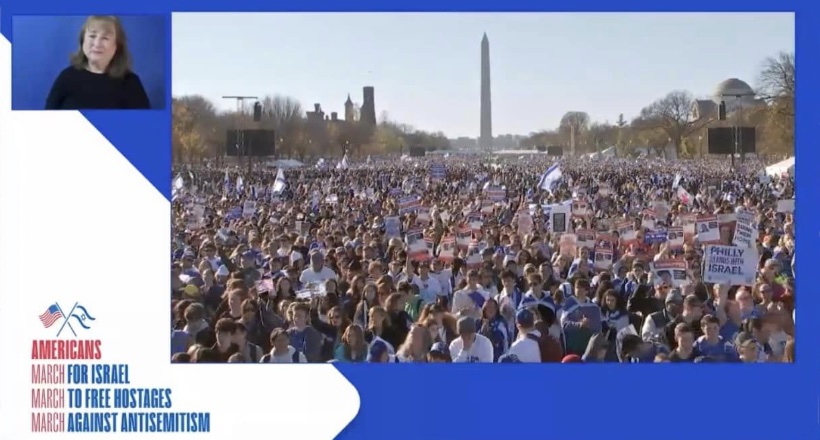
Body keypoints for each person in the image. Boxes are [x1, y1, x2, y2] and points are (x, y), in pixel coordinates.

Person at [45, 16, 150, 110]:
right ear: (83, 41)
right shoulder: (67, 77)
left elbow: (144, 127)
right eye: (92, 36)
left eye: (105, 38)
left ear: (116, 46)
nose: (97, 43)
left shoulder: (131, 83)